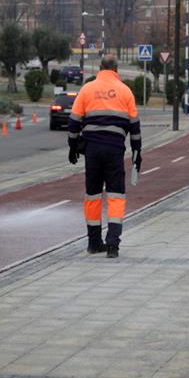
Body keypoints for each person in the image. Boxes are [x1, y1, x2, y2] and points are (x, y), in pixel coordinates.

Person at [67, 55, 142, 258]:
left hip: (92, 150)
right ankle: (112, 245)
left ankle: (93, 243)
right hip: (115, 150)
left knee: (92, 195)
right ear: (116, 69)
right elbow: (135, 126)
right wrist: (137, 152)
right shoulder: (125, 91)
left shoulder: (87, 89)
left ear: (100, 68)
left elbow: (74, 121)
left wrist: (72, 146)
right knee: (116, 195)